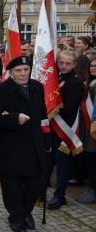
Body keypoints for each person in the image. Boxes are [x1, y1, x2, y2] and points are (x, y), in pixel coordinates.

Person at [0, 55, 49, 232]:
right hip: (12, 147)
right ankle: (16, 217)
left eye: (26, 70)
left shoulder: (37, 87)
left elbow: (43, 115)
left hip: (35, 145)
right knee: (12, 187)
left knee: (35, 184)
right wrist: (14, 118)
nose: (23, 74)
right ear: (11, 73)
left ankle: (26, 212)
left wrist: (46, 139)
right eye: (18, 70)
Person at [47, 49, 83, 210]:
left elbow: (69, 108)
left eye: (68, 63)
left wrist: (50, 106)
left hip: (64, 129)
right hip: (50, 128)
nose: (64, 66)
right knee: (47, 162)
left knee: (62, 166)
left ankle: (59, 196)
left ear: (74, 64)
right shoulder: (55, 77)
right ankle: (41, 191)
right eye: (61, 62)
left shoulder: (75, 82)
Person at [77, 55, 96, 203]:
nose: (93, 68)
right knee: (90, 159)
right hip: (88, 128)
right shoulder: (87, 84)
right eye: (91, 66)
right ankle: (91, 188)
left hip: (93, 125)